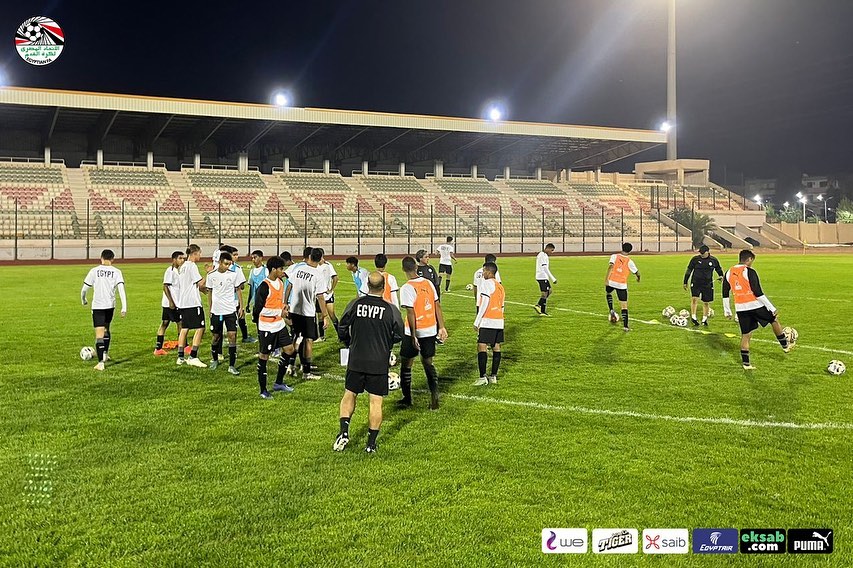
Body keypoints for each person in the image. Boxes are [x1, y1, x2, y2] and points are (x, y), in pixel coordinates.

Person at [334, 271, 405, 454]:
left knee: (349, 394)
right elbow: (399, 334)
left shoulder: (355, 304)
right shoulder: (390, 310)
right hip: (378, 361)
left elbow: (342, 326)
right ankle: (370, 444)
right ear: (384, 287)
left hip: (357, 358)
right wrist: (386, 344)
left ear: (367, 285)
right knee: (375, 401)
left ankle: (344, 432)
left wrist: (349, 342)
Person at [722, 249, 791, 370]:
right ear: (749, 259)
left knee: (746, 335)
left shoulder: (728, 272)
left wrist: (727, 310)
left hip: (741, 309)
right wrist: (771, 308)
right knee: (774, 320)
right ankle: (785, 345)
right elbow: (757, 292)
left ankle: (746, 364)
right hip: (755, 305)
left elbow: (725, 293)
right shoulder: (749, 271)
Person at [397, 256, 448, 410]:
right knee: (428, 363)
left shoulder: (407, 288)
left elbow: (410, 313)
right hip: (430, 329)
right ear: (416, 267)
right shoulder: (428, 283)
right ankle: (434, 398)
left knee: (406, 363)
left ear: (403, 269)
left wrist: (413, 336)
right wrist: (442, 327)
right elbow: (437, 305)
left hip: (413, 332)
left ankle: (407, 398)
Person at [252, 256, 298, 398]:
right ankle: (263, 390)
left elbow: (278, 302)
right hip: (267, 327)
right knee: (264, 357)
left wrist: (284, 306)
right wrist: (279, 312)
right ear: (273, 269)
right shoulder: (264, 286)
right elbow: (258, 310)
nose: (282, 271)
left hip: (279, 324)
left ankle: (278, 383)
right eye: (280, 269)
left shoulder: (280, 282)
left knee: (289, 349)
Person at [284, 247, 331, 379]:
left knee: (297, 337)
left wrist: (285, 302)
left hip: (294, 310)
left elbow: (289, 286)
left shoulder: (298, 269)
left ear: (310, 257)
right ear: (320, 259)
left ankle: (290, 365)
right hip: (307, 313)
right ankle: (306, 372)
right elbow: (320, 297)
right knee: (308, 340)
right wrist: (325, 315)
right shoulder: (318, 275)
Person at [81, 249, 127, 371]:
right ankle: (105, 354)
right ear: (112, 259)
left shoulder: (94, 271)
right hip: (110, 306)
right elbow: (121, 289)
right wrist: (124, 307)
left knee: (99, 334)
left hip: (98, 306)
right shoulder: (117, 272)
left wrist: (83, 299)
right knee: (106, 329)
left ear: (101, 258)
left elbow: (84, 289)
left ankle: (101, 363)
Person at [206, 251, 246, 375]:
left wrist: (241, 307)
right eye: (225, 264)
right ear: (219, 262)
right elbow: (209, 292)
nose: (228, 266)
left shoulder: (233, 275)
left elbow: (238, 290)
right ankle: (215, 360)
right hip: (217, 311)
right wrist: (210, 308)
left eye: (229, 264)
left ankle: (232, 366)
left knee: (232, 336)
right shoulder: (211, 275)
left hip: (230, 310)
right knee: (216, 336)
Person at [176, 244, 209, 368]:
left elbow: (191, 285)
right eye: (199, 253)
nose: (200, 256)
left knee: (185, 328)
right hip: (192, 303)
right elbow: (200, 283)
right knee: (200, 328)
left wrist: (202, 290)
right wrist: (209, 273)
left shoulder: (183, 266)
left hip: (183, 303)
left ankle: (180, 357)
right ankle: (193, 356)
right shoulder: (192, 266)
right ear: (194, 253)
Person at [473, 262, 504, 386]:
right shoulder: (500, 286)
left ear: (489, 272)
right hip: (499, 320)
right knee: (496, 346)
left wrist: (477, 321)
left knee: (482, 346)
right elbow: (502, 306)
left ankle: (482, 377)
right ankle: (493, 376)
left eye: (484, 271)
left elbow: (484, 303)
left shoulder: (486, 284)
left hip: (488, 320)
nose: (483, 274)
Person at [683, 244, 724, 326]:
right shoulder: (695, 259)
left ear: (707, 252)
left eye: (703, 253)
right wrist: (685, 281)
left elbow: (718, 269)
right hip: (696, 282)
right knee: (694, 299)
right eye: (700, 253)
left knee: (706, 302)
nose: (701, 254)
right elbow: (689, 270)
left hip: (708, 284)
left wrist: (721, 276)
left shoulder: (713, 260)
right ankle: (693, 317)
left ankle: (704, 319)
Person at [605, 242, 641, 332]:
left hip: (611, 281)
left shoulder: (614, 256)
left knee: (608, 293)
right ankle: (625, 326)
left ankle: (611, 309)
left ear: (622, 248)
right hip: (621, 285)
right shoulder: (630, 261)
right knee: (624, 306)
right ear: (630, 251)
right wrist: (638, 278)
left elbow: (610, 266)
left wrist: (606, 279)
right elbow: (637, 272)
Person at [155, 250, 184, 356]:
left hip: (170, 303)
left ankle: (158, 348)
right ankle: (183, 346)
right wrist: (171, 302)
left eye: (183, 258)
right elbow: (165, 286)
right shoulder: (170, 271)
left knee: (165, 323)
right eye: (180, 258)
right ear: (174, 259)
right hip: (172, 303)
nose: (182, 260)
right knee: (180, 323)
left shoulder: (178, 271)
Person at [317, 249, 339, 341]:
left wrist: (331, 289)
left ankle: (341, 336)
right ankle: (321, 337)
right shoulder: (315, 266)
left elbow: (335, 278)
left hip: (328, 295)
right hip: (319, 296)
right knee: (320, 316)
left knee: (332, 315)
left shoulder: (328, 265)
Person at [246, 249, 269, 333]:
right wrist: (248, 303)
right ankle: (260, 336)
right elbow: (251, 288)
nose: (253, 260)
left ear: (261, 258)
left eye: (255, 257)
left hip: (265, 301)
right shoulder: (252, 271)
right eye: (252, 258)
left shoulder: (266, 270)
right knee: (257, 321)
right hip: (256, 301)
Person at [534, 243, 557, 316]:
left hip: (543, 277)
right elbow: (545, 268)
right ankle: (541, 309)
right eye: (551, 250)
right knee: (545, 293)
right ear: (547, 248)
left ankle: (539, 306)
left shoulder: (544, 255)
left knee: (549, 291)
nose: (552, 252)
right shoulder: (542, 255)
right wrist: (553, 278)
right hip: (542, 276)